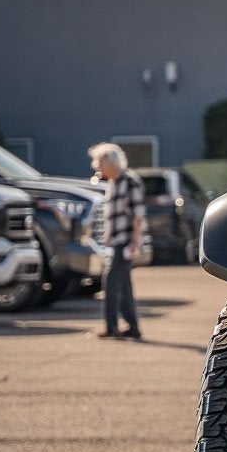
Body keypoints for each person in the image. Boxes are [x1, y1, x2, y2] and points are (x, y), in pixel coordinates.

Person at [88, 142, 144, 340]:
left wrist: (135, 241)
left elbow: (138, 214)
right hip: (116, 242)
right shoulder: (112, 183)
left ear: (112, 162)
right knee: (124, 285)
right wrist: (108, 238)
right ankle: (133, 327)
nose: (97, 167)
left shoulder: (129, 180)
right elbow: (111, 216)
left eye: (100, 163)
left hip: (126, 241)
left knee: (110, 281)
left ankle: (111, 326)